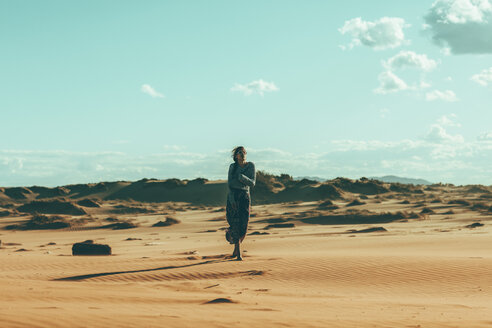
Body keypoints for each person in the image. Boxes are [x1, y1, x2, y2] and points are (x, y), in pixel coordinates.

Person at [226, 146, 256, 261]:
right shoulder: (232, 167)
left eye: (243, 152)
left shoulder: (250, 166)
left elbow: (252, 183)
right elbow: (230, 184)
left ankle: (236, 248)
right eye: (239, 152)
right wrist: (232, 199)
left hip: (244, 196)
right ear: (236, 156)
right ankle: (238, 253)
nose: (241, 154)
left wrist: (242, 177)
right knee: (235, 224)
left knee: (244, 224)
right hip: (233, 196)